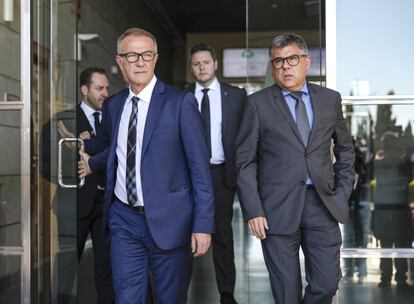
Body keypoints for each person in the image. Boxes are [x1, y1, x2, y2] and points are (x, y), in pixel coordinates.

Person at [77, 28, 214, 304]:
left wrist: (202, 225)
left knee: (169, 299)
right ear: (119, 61)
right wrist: (84, 150)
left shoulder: (180, 103)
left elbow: (200, 169)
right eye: (132, 55)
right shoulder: (114, 106)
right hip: (123, 220)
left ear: (155, 59)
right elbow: (110, 147)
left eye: (146, 55)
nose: (140, 61)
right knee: (127, 298)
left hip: (170, 221)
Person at [235, 33, 355, 304]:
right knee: (286, 294)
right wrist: (253, 210)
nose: (285, 66)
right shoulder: (257, 104)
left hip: (322, 204)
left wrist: (342, 191)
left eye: (292, 59)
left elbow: (346, 149)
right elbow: (244, 162)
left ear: (306, 61)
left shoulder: (329, 99)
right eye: (278, 61)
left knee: (326, 284)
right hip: (275, 210)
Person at [42, 67, 114, 303]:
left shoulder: (114, 120)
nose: (105, 93)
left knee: (107, 270)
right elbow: (47, 164)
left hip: (107, 206)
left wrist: (90, 145)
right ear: (85, 90)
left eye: (107, 88)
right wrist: (76, 169)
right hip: (74, 204)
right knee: (66, 269)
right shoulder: (63, 121)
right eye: (99, 88)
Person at [187, 43, 247, 304]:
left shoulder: (236, 96)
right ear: (192, 68)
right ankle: (179, 290)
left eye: (206, 62)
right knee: (186, 233)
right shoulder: (183, 97)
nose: (201, 67)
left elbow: (247, 138)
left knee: (223, 234)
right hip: (190, 177)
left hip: (222, 175)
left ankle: (226, 293)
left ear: (215, 64)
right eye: (196, 63)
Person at [372, 131, 413, 288]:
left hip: (387, 210)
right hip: (394, 210)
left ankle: (387, 278)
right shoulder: (401, 164)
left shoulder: (380, 163)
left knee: (387, 247)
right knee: (397, 246)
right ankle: (398, 279)